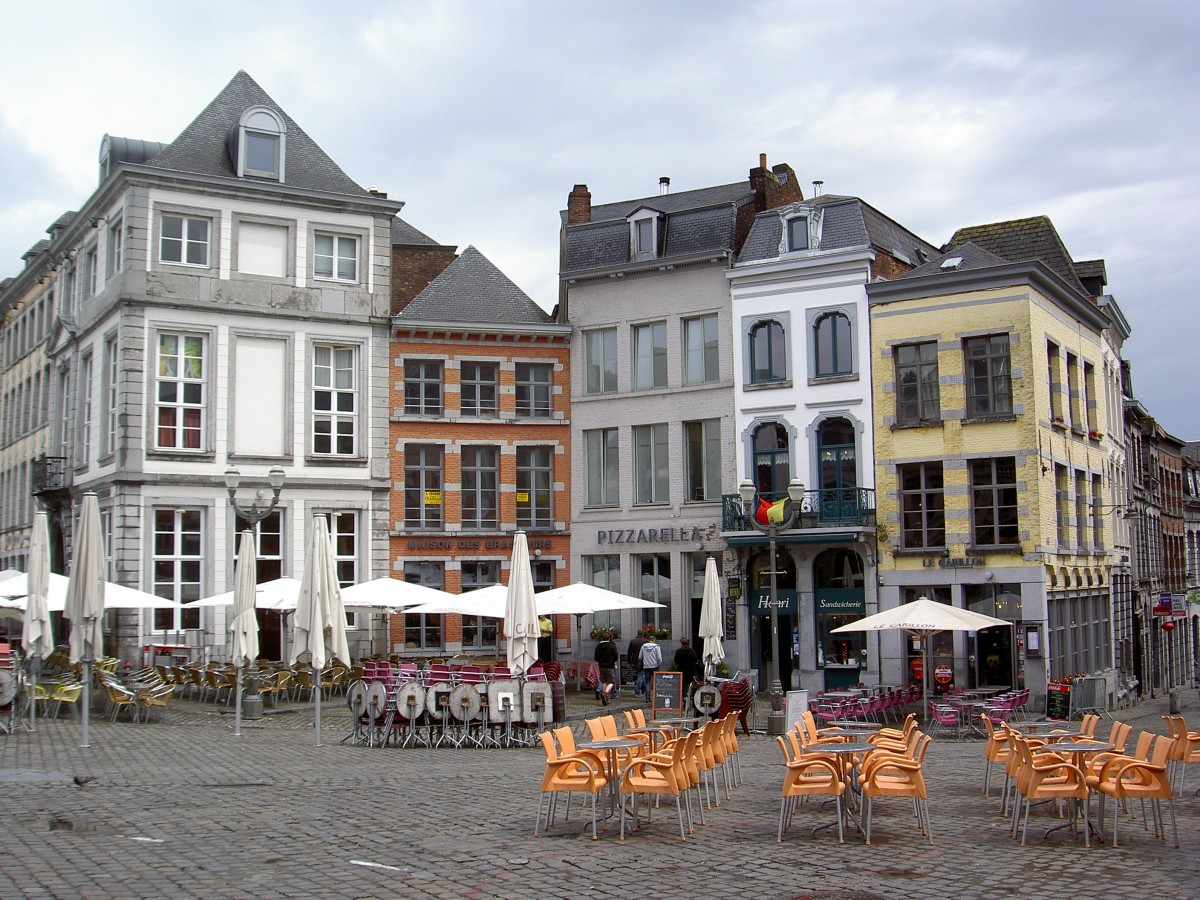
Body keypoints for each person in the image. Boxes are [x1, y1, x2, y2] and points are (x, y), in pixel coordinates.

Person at [593, 633, 619, 706]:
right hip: (609, 666)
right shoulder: (611, 645)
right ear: (609, 638)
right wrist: (613, 661)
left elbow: (596, 657)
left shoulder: (598, 646)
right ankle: (605, 693)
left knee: (604, 682)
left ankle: (605, 697)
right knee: (611, 682)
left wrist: (600, 661)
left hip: (601, 666)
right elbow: (616, 656)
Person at [638, 632, 662, 701]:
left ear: (649, 640)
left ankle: (647, 697)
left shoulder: (643, 646)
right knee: (656, 681)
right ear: (654, 640)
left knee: (647, 681)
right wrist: (659, 663)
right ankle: (656, 696)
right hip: (654, 666)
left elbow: (640, 657)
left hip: (646, 666)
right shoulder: (656, 647)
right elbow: (659, 657)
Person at [627, 630, 647, 699]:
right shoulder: (646, 641)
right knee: (641, 676)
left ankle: (644, 690)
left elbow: (629, 653)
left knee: (642, 675)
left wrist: (629, 662)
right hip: (644, 661)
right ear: (643, 633)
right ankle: (638, 691)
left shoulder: (633, 641)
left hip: (635, 661)